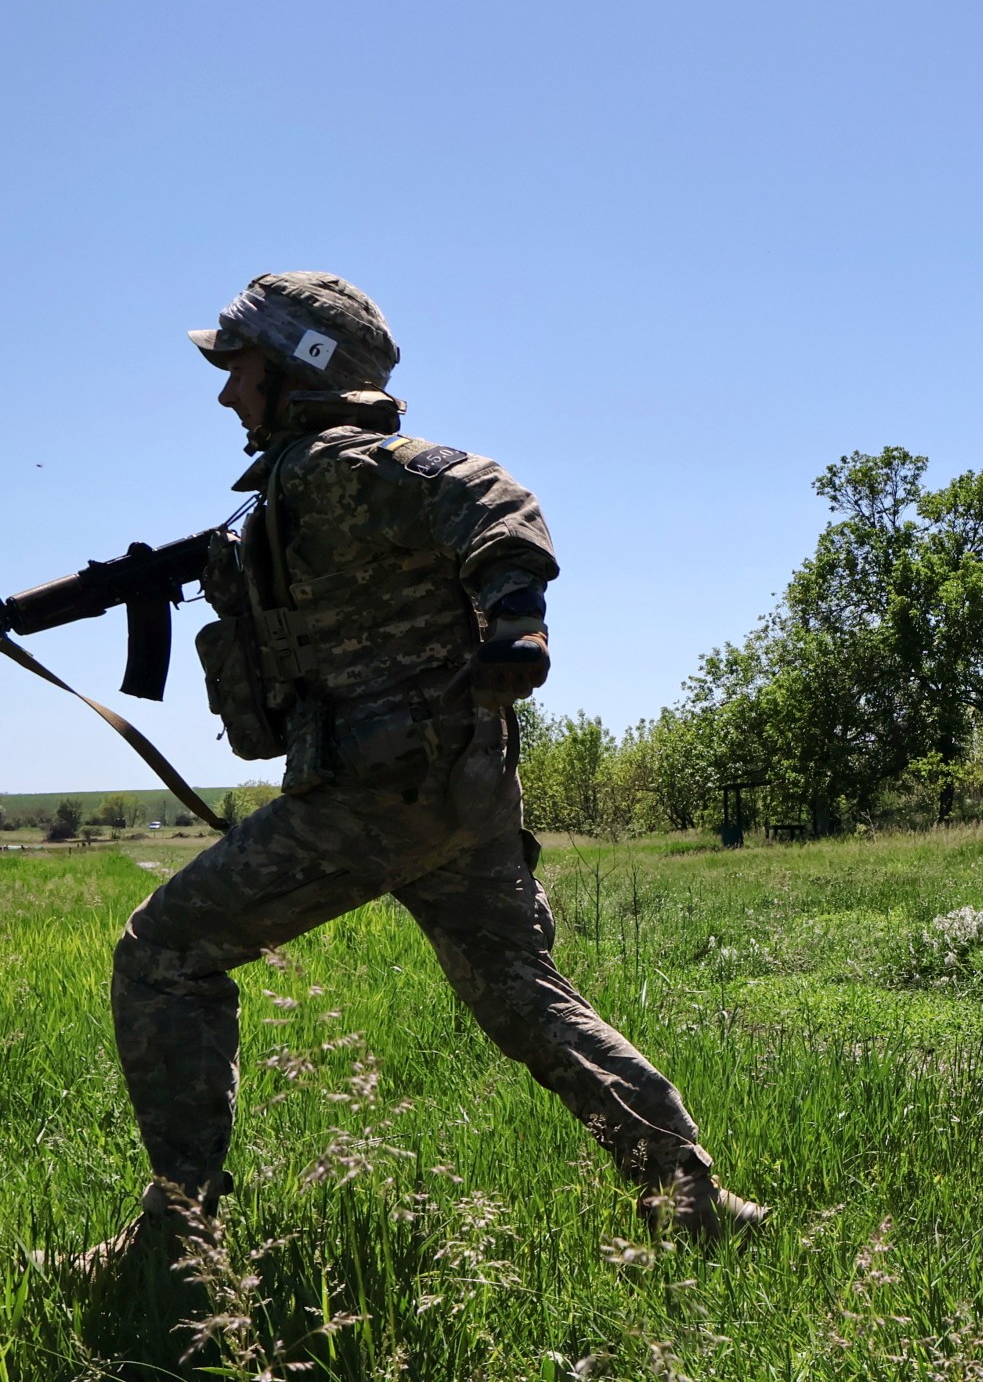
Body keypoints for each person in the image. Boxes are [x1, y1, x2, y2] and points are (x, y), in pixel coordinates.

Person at [85, 273, 762, 1280]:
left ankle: (178, 1241)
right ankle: (692, 1198)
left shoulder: (337, 465)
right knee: (519, 993)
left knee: (161, 955)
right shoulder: (299, 486)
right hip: (458, 789)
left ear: (296, 368)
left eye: (239, 367)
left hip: (372, 794)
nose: (227, 392)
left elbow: (488, 493)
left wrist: (519, 621)